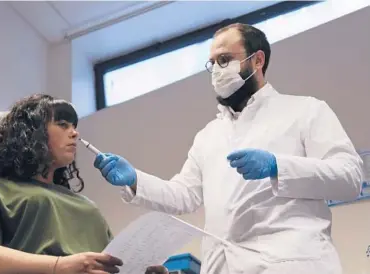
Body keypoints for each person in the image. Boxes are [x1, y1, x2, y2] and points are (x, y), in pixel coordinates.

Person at [93, 23, 364, 274]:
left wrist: (277, 166)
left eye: (225, 60)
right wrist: (135, 180)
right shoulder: (208, 136)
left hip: (291, 264)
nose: (218, 70)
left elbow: (349, 177)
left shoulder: (306, 111)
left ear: (258, 60)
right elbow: (184, 195)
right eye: (212, 64)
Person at [0, 94, 168, 274]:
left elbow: (110, 267)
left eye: (74, 126)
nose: (75, 132)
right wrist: (60, 266)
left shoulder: (87, 207)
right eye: (63, 124)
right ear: (30, 132)